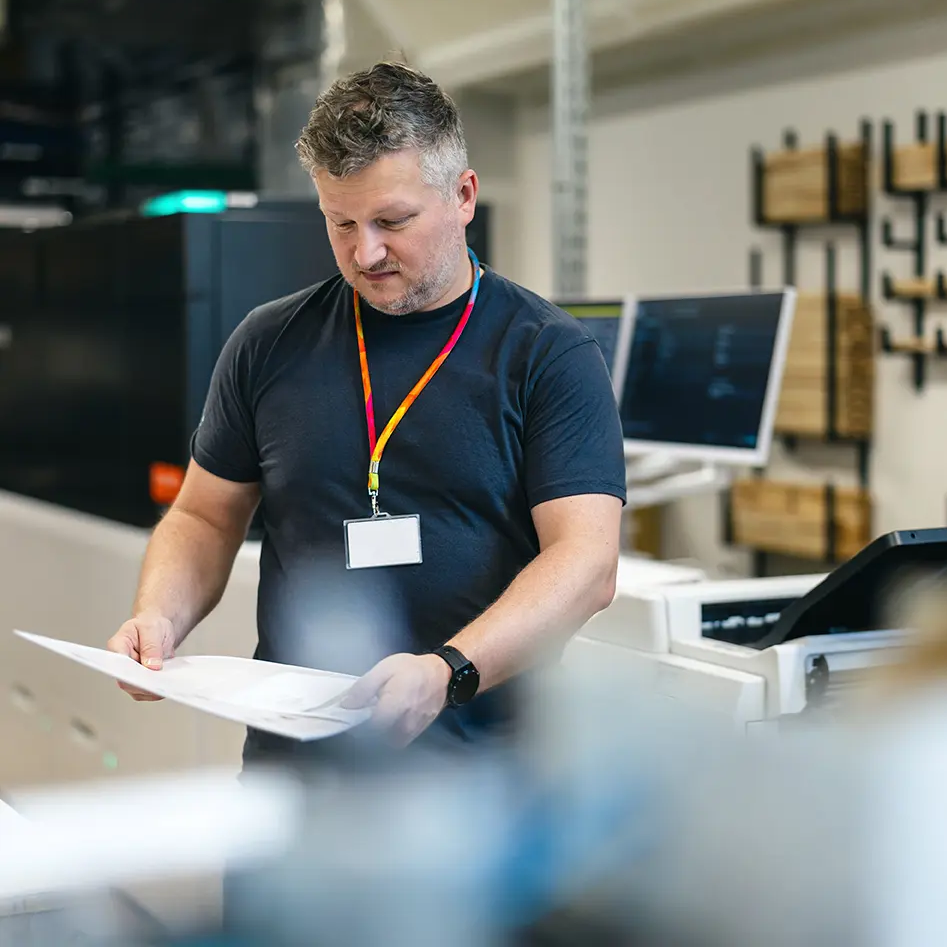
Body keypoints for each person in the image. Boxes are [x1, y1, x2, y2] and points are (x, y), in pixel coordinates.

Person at [106, 61, 626, 766]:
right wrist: (159, 618)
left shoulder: (549, 355)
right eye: (340, 222)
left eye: (392, 221)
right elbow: (204, 516)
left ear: (464, 195)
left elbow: (586, 561)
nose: (365, 251)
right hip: (297, 771)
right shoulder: (268, 343)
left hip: (479, 775)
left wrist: (448, 670)